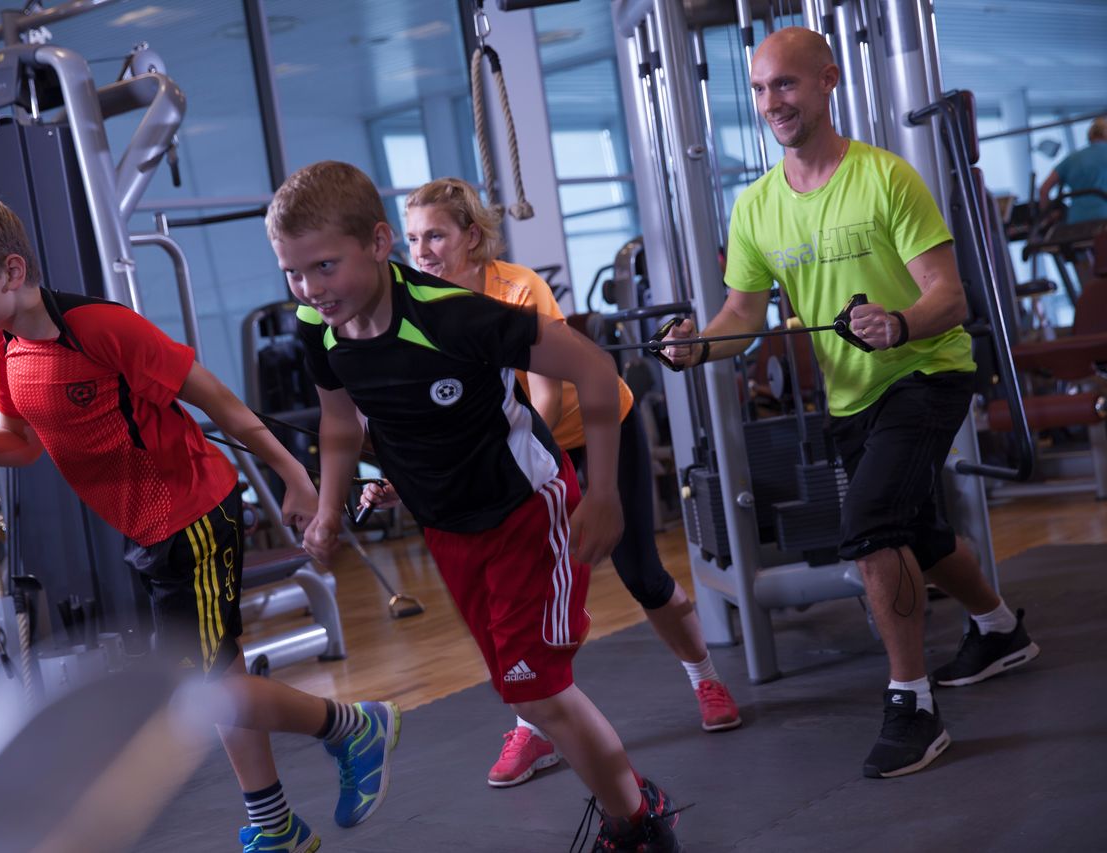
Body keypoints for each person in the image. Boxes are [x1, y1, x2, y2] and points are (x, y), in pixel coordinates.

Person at [0, 193, 399, 853]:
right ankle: (275, 824)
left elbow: (223, 404)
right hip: (148, 529)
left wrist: (296, 477)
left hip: (192, 514)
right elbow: (22, 443)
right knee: (220, 676)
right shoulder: (3, 343)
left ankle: (352, 726)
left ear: (11, 271)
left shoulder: (101, 328)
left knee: (201, 690)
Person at [271, 160, 682, 851]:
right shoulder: (320, 324)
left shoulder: (453, 314)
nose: (311, 289)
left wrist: (606, 492)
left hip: (526, 510)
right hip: (446, 526)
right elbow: (339, 420)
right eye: (294, 273)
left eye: (325, 267)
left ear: (378, 243)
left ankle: (638, 825)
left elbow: (593, 368)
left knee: (538, 691)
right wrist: (329, 507)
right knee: (524, 693)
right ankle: (636, 802)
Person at [662, 28, 1039, 780]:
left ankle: (913, 706)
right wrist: (698, 346)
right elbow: (742, 315)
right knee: (918, 532)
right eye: (761, 89)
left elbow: (949, 296)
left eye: (786, 84)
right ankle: (999, 629)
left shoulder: (885, 177)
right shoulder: (757, 207)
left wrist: (898, 323)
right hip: (850, 393)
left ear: (828, 81)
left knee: (870, 529)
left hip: (926, 370)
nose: (772, 102)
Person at [392, 178, 740, 791]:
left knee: (640, 572)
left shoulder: (517, 289)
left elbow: (547, 396)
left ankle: (705, 677)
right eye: (414, 238)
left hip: (587, 428)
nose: (422, 250)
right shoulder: (417, 306)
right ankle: (533, 726)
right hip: (513, 451)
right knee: (518, 592)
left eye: (436, 235)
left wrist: (519, 464)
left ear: (471, 235)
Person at [1037, 115, 1107, 229]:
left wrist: (1049, 216)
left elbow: (1044, 190)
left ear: (1089, 136)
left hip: (1077, 223)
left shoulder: (1072, 159)